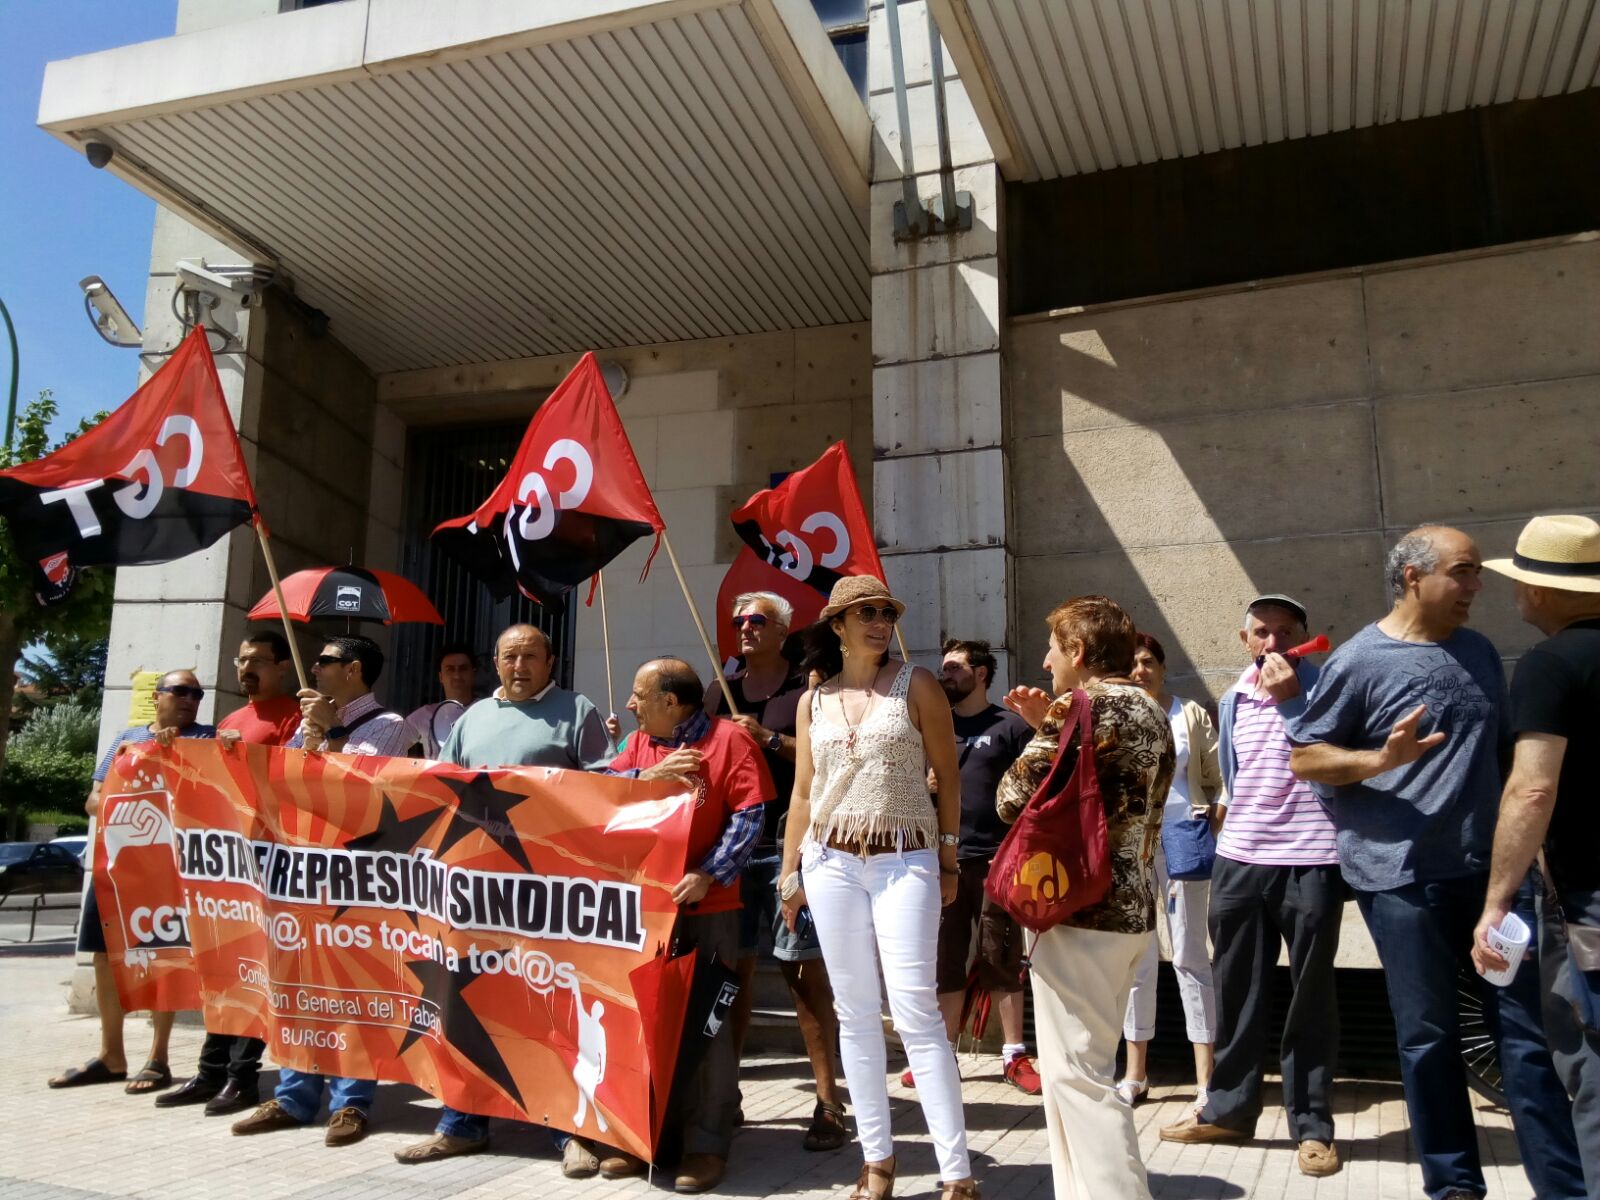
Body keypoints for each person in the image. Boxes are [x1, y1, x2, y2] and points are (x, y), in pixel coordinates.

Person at [1287, 526, 1585, 1200]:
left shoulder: (1479, 652)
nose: (1478, 587)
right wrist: (1380, 760)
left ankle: (1563, 1188)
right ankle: (1454, 1186)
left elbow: (1514, 763)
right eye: (1465, 572)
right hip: (1401, 881)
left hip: (1493, 882)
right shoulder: (1360, 661)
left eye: (1477, 573)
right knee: (1429, 1039)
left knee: (1526, 1039)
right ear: (1414, 576)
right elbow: (1306, 756)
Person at [780, 575, 978, 1200]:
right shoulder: (812, 700)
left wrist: (948, 858)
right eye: (863, 612)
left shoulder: (916, 684)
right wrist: (790, 873)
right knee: (855, 1014)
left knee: (917, 1010)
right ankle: (878, 1163)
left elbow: (947, 775)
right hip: (830, 861)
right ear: (836, 625)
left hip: (905, 859)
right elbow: (804, 793)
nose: (877, 621)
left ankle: (957, 1174)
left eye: (885, 612)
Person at [395, 623, 613, 1169]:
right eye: (510, 657)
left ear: (551, 661)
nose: (519, 666)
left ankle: (569, 1131)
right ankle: (462, 1122)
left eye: (530, 656)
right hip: (475, 890)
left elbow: (607, 788)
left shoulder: (578, 709)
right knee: (469, 1003)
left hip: (549, 894)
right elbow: (438, 787)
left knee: (553, 1008)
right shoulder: (472, 718)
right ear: (496, 663)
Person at [996, 596, 1174, 1200]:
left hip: (1078, 911)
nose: (1046, 661)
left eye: (1052, 648)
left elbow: (1011, 799)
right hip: (1132, 911)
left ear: (1078, 652)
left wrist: (1042, 727)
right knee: (1080, 1069)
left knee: (1079, 1076)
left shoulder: (1080, 705)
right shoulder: (1152, 709)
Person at [1159, 597, 1343, 1179]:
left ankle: (1313, 1128)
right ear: (1245, 640)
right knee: (1236, 988)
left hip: (1311, 858)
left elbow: (1327, 757)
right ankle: (1229, 1109)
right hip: (1240, 857)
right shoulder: (1235, 694)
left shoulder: (1326, 687)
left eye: (1286, 631)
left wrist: (1292, 702)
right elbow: (1237, 776)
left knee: (1311, 997)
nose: (1274, 641)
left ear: (1305, 636)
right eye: (1262, 631)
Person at [599, 656, 772, 1194]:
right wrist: (639, 778)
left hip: (709, 910)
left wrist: (709, 874)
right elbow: (599, 792)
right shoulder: (638, 745)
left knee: (707, 1028)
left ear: (670, 703)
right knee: (645, 1023)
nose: (630, 705)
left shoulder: (727, 741)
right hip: (645, 915)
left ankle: (706, 1143)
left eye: (639, 696)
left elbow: (750, 816)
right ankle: (648, 1136)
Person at [231, 634, 410, 1148]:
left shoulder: (390, 726)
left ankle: (351, 1101)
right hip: (303, 876)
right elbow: (278, 786)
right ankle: (293, 1096)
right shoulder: (308, 725)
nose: (314, 667)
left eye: (324, 661)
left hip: (358, 883)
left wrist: (331, 739)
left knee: (353, 991)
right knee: (299, 985)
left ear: (352, 670)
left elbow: (364, 794)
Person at [1474, 515, 1600, 1198]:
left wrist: (1497, 902)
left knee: (1592, 1070)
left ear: (1543, 592)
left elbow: (1533, 788)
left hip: (1588, 901)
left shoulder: (1552, 665)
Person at [707, 591, 847, 1150]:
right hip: (732, 851)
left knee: (804, 976)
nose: (743, 628)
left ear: (782, 629)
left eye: (756, 620)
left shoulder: (809, 690)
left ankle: (828, 1100)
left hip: (794, 848)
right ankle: (726, 1096)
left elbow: (830, 759)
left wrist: (766, 738)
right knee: (733, 976)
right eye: (739, 621)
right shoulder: (723, 690)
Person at [48, 669, 216, 1097]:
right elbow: (92, 801)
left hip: (172, 872)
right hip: (120, 867)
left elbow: (216, 793)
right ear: (157, 697)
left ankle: (158, 1056)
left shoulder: (207, 739)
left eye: (196, 693)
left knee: (167, 954)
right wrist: (133, 771)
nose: (189, 700)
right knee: (104, 954)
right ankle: (111, 1055)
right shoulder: (127, 739)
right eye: (180, 691)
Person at [157, 631, 298, 1117]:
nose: (246, 669)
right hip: (226, 864)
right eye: (241, 661)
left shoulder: (294, 716)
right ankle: (209, 1071)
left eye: (258, 660)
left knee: (254, 973)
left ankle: (243, 1079)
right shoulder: (230, 720)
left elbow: (295, 783)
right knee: (223, 969)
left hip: (270, 862)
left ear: (282, 666)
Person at [914, 637, 1038, 1093]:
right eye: (943, 667)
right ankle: (942, 1055)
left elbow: (1032, 794)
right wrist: (921, 783)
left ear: (981, 673)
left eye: (954, 667)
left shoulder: (1010, 727)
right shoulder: (930, 727)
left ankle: (1013, 1055)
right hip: (940, 861)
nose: (945, 674)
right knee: (945, 960)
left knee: (999, 957)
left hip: (995, 860)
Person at [1118, 632, 1220, 1116]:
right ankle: (1135, 1074)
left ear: (1161, 665)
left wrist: (1213, 815)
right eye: (1131, 663)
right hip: (1133, 846)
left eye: (1147, 661)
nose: (1140, 670)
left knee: (1191, 956)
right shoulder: (1117, 715)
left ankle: (1208, 1079)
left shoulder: (1189, 714)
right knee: (1138, 957)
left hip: (1184, 839)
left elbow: (1220, 777)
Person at [405, 640, 476, 758]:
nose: (457, 675)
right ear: (440, 677)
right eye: (450, 669)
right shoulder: (424, 715)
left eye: (463, 668)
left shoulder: (488, 711)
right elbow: (390, 745)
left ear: (473, 674)